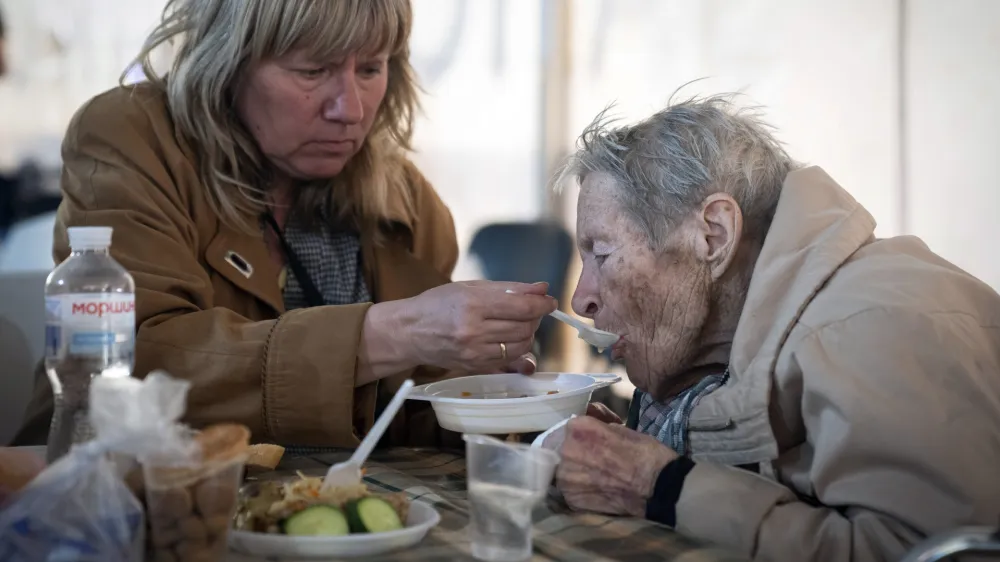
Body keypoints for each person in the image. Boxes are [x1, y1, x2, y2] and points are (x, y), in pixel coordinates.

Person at [13, 0, 557, 449]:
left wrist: (521, 418)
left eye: (370, 69)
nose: (349, 109)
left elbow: (405, 412)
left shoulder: (408, 204)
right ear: (227, 61)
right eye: (313, 70)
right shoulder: (131, 139)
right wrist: (394, 332)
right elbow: (126, 371)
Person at [546, 95, 1000, 560]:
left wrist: (660, 485)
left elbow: (932, 554)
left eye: (601, 253)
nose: (582, 298)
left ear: (713, 236)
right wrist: (635, 452)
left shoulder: (873, 329)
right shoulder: (748, 341)